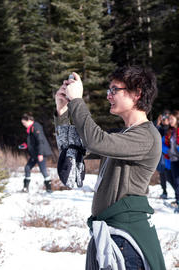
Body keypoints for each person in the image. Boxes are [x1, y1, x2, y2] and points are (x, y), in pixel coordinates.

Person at [55, 66, 165, 269]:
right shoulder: (122, 135)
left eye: (114, 89)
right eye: (109, 90)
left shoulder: (146, 136)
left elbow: (95, 141)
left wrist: (78, 101)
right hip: (110, 234)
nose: (109, 96)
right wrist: (63, 110)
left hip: (126, 239)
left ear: (137, 93)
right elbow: (73, 149)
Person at [19, 113, 52, 193]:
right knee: (27, 168)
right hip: (35, 154)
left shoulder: (36, 127)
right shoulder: (30, 128)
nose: (23, 125)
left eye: (24, 123)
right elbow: (32, 142)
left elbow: (40, 141)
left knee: (43, 170)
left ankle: (49, 189)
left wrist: (40, 154)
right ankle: (25, 188)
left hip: (40, 153)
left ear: (29, 120)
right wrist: (25, 145)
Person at [155, 110, 173, 199]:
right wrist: (158, 124)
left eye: (167, 117)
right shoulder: (161, 128)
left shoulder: (171, 128)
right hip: (162, 156)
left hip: (171, 156)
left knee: (171, 176)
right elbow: (154, 135)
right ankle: (164, 191)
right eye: (164, 117)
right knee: (162, 174)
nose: (165, 119)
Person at [164, 110, 179, 212]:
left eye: (172, 119)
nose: (170, 121)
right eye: (169, 119)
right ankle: (178, 200)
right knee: (175, 181)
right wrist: (167, 151)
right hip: (173, 160)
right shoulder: (170, 132)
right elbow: (164, 145)